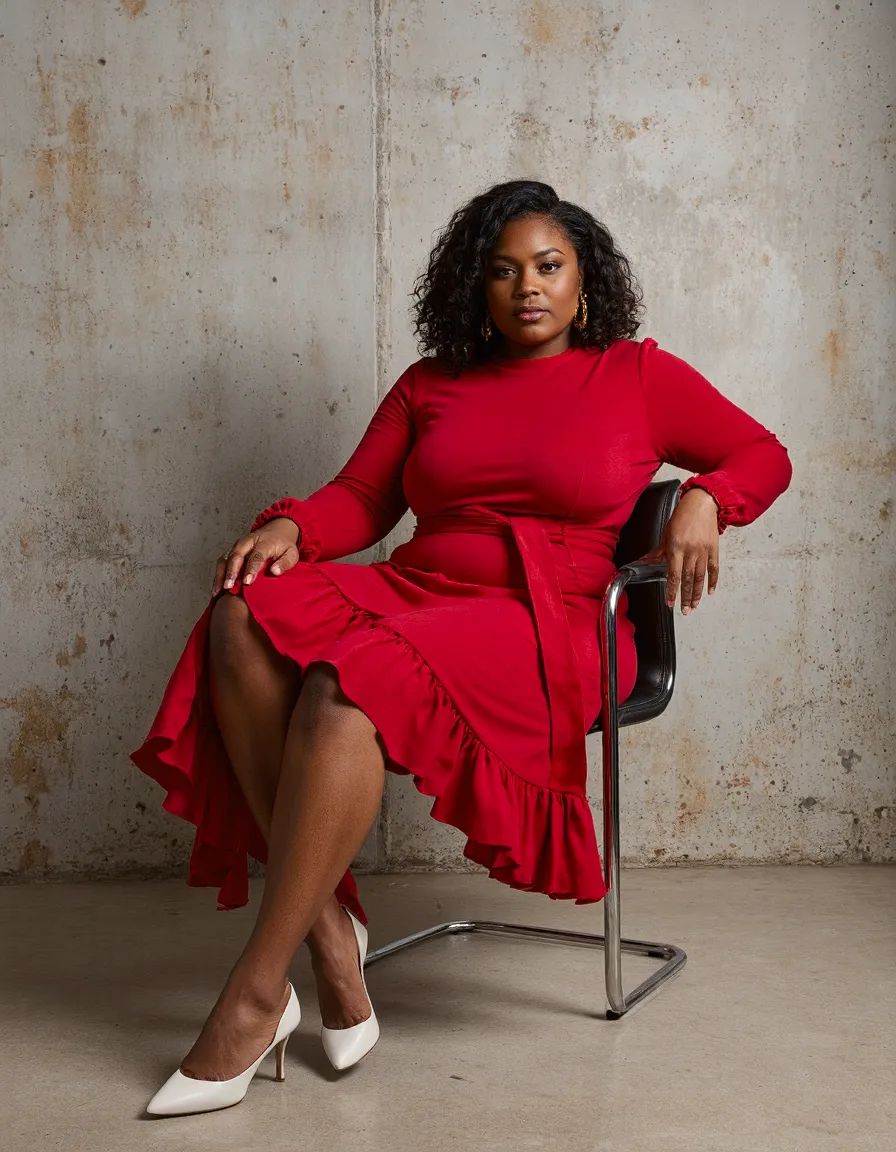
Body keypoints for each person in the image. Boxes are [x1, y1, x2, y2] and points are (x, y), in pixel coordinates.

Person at [132, 179, 792, 1115]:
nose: (528, 287)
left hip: (548, 617)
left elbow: (764, 454)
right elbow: (363, 499)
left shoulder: (638, 375)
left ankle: (253, 996)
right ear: (476, 288)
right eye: (503, 271)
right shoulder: (430, 384)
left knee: (346, 683)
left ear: (585, 282)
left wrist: (705, 498)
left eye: (549, 267)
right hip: (420, 591)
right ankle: (329, 943)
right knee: (241, 611)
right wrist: (295, 528)